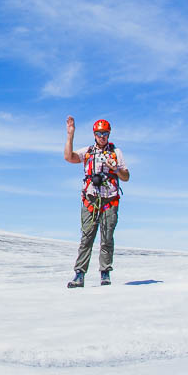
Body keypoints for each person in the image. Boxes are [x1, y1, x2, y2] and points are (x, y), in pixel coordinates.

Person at [64, 117, 130, 287]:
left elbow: (126, 177)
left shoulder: (116, 153)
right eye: (99, 133)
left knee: (107, 237)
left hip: (110, 199)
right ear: (95, 134)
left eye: (105, 133)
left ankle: (105, 273)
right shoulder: (88, 151)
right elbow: (68, 157)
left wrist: (115, 168)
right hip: (90, 199)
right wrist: (70, 135)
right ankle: (79, 274)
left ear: (109, 134)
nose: (102, 136)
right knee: (87, 237)